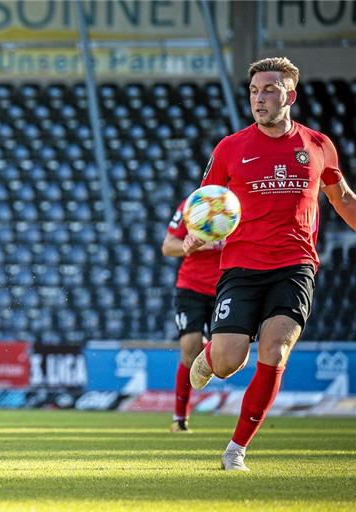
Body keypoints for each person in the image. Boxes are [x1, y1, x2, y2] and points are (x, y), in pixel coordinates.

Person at [183, 57, 356, 471]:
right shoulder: (230, 147)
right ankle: (211, 356)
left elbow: (343, 198)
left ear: (290, 96)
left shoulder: (317, 145)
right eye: (254, 91)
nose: (259, 99)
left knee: (276, 351)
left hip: (296, 265)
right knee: (228, 362)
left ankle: (235, 451)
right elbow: (206, 202)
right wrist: (197, 232)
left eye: (269, 90)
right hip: (241, 267)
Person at [161, 199, 223, 433]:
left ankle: (208, 347)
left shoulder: (245, 203)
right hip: (191, 287)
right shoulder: (193, 205)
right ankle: (180, 418)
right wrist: (192, 245)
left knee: (224, 353)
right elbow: (168, 247)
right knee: (188, 349)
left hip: (228, 286)